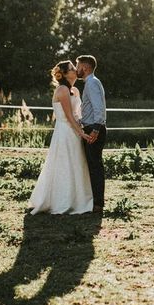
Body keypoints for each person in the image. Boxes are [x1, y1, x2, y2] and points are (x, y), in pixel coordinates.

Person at [28, 61, 93, 214]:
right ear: (64, 74)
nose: (75, 70)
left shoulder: (75, 90)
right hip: (65, 131)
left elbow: (79, 114)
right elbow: (69, 116)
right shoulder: (62, 90)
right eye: (72, 68)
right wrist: (81, 133)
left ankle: (78, 199)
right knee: (65, 164)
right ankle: (63, 200)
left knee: (76, 163)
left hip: (75, 130)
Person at [76, 54, 107, 213]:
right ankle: (93, 202)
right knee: (92, 166)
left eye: (78, 65)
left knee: (95, 167)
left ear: (85, 67)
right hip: (90, 127)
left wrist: (95, 129)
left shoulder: (92, 83)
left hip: (93, 129)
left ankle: (98, 204)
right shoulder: (90, 83)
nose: (76, 69)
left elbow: (99, 108)